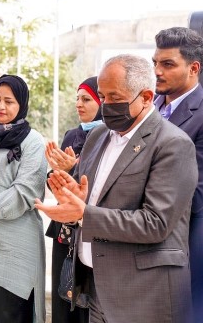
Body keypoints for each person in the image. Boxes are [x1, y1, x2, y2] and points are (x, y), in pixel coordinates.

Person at [35, 54, 197, 323]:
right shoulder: (98, 135)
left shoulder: (172, 144)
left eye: (115, 97)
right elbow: (91, 198)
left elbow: (155, 223)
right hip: (97, 290)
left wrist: (84, 213)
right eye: (102, 96)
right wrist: (76, 196)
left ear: (146, 97)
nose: (106, 105)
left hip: (145, 295)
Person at [0, 74, 47, 323]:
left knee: (11, 315)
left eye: (9, 101)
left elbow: (27, 189)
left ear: (21, 104)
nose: (1, 106)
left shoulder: (32, 141)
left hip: (14, 247)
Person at [153, 26, 203, 316]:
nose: (157, 71)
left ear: (193, 68)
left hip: (181, 243)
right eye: (155, 63)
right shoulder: (145, 107)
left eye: (168, 64)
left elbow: (197, 193)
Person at [44, 76, 102, 323]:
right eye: (77, 98)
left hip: (89, 232)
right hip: (64, 232)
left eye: (86, 99)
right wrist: (56, 173)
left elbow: (99, 185)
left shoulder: (108, 137)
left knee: (85, 304)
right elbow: (58, 181)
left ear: (102, 102)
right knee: (62, 301)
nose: (79, 104)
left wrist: (73, 169)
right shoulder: (71, 135)